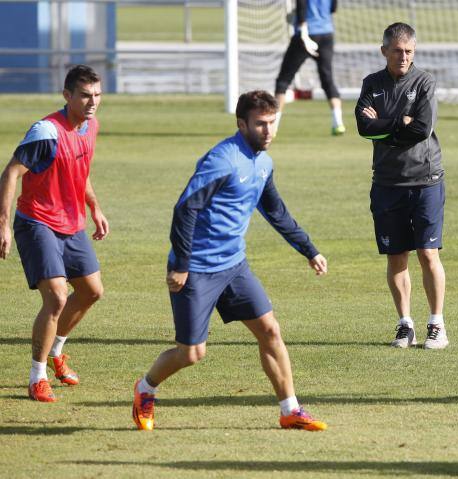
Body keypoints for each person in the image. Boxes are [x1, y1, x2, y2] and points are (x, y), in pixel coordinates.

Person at [132, 91, 328, 432]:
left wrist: (309, 249)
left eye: (272, 122)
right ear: (242, 124)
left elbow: (276, 212)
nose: (268, 131)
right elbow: (185, 209)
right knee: (191, 353)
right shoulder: (222, 161)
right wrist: (180, 264)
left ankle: (290, 409)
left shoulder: (264, 163)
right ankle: (145, 389)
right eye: (260, 124)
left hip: (234, 266)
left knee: (270, 330)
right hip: (196, 269)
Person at [0, 65, 108, 403]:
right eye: (85, 95)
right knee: (57, 298)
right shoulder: (46, 131)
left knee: (91, 292)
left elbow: (81, 170)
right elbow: (11, 173)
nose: (92, 102)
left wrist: (95, 208)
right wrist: (3, 224)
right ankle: (37, 375)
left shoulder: (90, 126)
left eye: (97, 95)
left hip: (72, 222)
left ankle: (57, 351)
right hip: (37, 222)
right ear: (67, 96)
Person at [355, 22, 448, 350]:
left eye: (409, 51)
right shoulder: (372, 83)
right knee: (396, 256)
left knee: (427, 252)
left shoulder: (424, 81)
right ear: (384, 51)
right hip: (387, 182)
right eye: (397, 51)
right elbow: (364, 128)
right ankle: (404, 324)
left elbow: (421, 129)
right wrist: (398, 123)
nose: (403, 57)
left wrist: (385, 125)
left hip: (425, 180)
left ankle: (436, 324)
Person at [274, 0, 345, 136]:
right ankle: (338, 123)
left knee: (283, 81)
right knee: (327, 80)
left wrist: (302, 26)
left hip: (305, 35)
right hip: (326, 34)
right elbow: (333, 8)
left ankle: (273, 126)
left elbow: (301, 6)